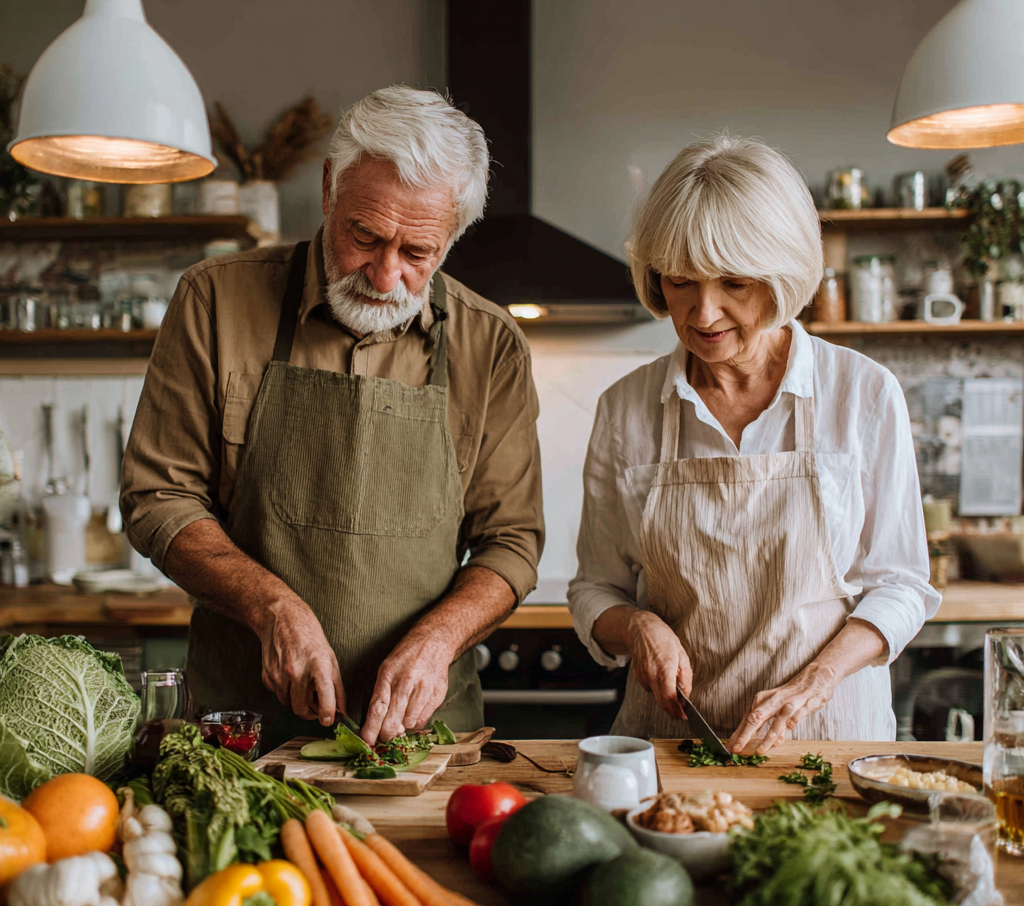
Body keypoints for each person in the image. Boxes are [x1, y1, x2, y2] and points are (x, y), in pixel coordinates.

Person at [121, 86, 543, 751]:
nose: (383, 275)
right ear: (328, 189)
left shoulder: (491, 347)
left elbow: (511, 542)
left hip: (421, 738)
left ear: (454, 235)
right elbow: (157, 498)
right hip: (243, 734)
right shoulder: (215, 300)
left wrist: (439, 640)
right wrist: (272, 608)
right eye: (364, 236)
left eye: (417, 254)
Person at [568, 135, 939, 754]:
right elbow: (594, 589)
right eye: (681, 282)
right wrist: (638, 626)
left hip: (825, 743)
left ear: (781, 276)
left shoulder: (863, 393)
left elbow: (901, 585)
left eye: (734, 284)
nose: (704, 313)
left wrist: (817, 680)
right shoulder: (625, 409)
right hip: (667, 748)